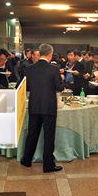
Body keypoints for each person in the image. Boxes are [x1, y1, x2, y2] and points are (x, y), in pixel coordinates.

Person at [20, 43, 65, 173]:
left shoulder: (29, 69)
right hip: (49, 107)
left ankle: (26, 160)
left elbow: (26, 87)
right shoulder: (54, 69)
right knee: (49, 136)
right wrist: (62, 79)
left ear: (39, 54)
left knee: (32, 134)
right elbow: (59, 87)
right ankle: (48, 165)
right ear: (50, 54)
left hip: (34, 105)